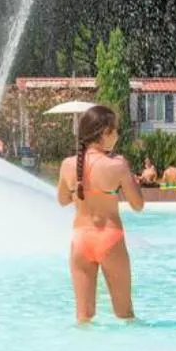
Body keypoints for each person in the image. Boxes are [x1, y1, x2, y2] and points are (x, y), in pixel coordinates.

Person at [56, 104, 144, 323]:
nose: (117, 135)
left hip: (81, 239)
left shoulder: (68, 164)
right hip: (109, 237)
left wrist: (81, 192)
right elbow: (138, 205)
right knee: (124, 314)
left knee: (84, 317)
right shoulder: (117, 165)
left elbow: (62, 200)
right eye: (115, 130)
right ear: (105, 132)